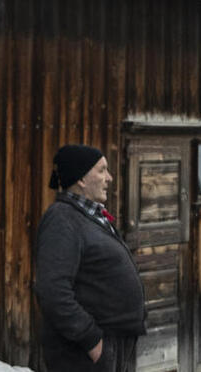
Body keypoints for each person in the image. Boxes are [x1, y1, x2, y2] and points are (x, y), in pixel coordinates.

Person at [34, 145, 146, 372]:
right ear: (81, 179)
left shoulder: (86, 216)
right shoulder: (62, 219)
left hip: (113, 345)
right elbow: (52, 290)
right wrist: (92, 340)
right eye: (102, 171)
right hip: (86, 351)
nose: (110, 178)